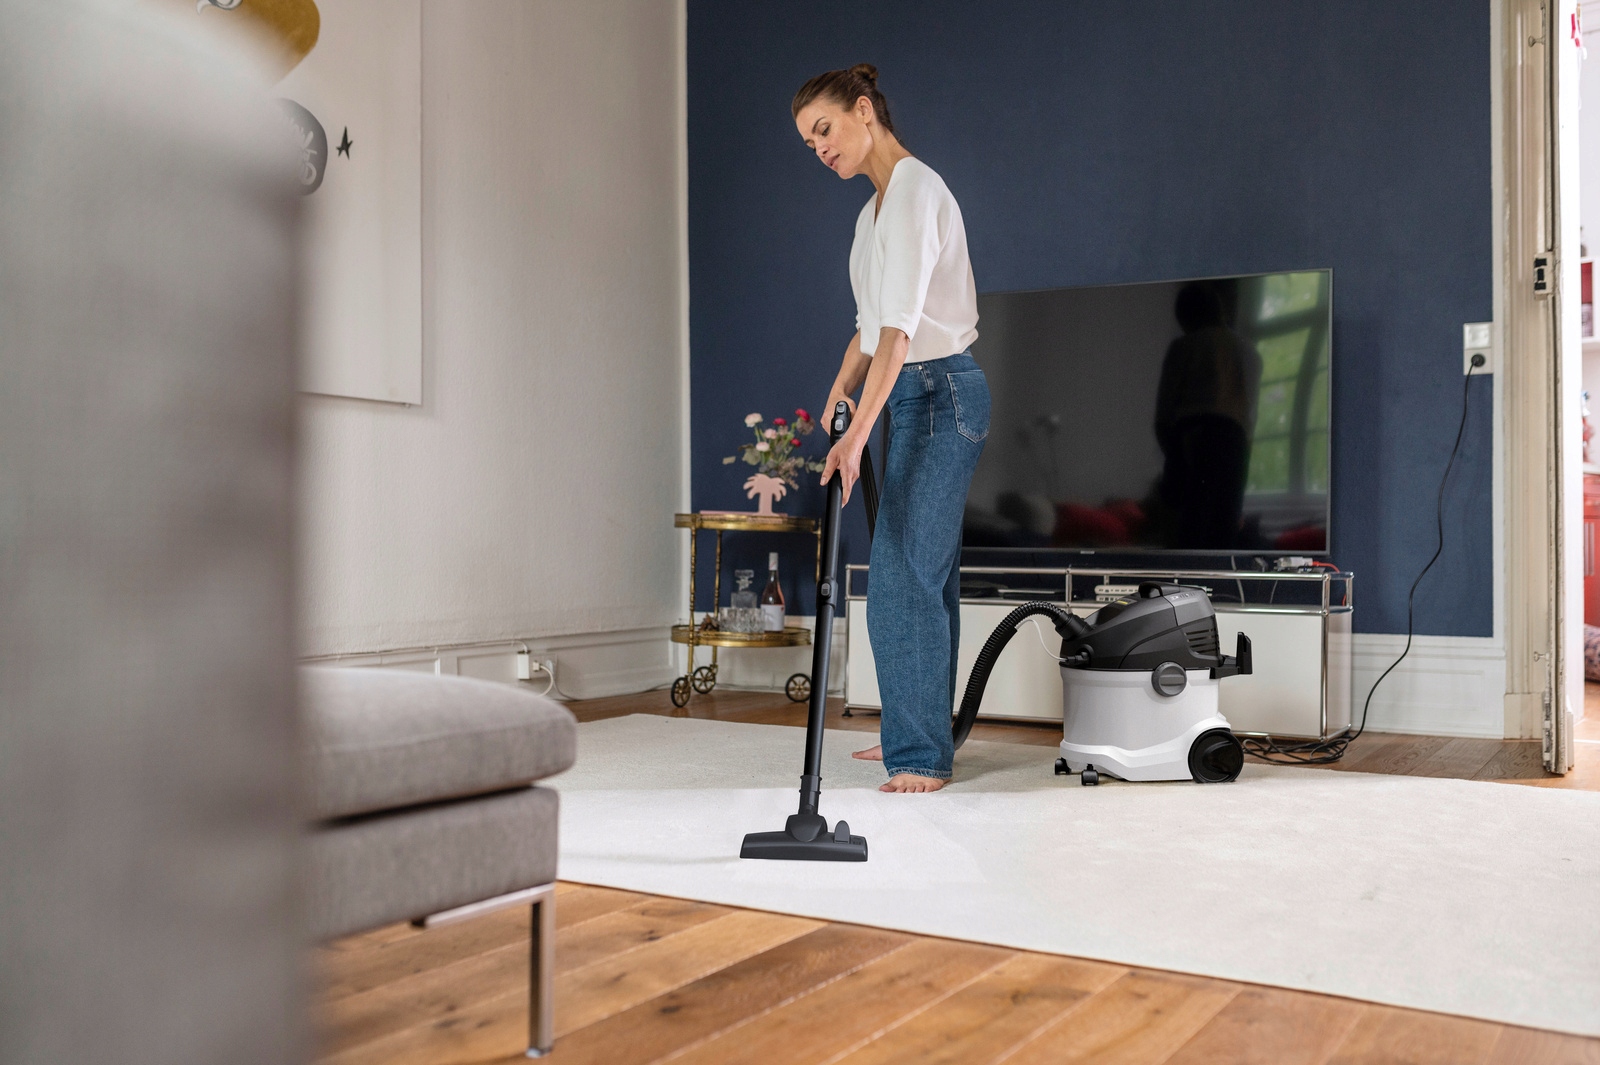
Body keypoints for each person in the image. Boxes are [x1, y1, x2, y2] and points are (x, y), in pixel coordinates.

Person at [794, 64, 987, 793]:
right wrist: (839, 388)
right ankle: (919, 729)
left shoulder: (914, 191)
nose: (820, 148)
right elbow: (870, 329)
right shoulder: (870, 214)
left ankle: (920, 754)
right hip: (908, 395)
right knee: (923, 576)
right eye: (809, 142)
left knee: (903, 575)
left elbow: (901, 335)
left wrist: (855, 438)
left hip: (942, 392)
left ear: (863, 110)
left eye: (824, 129)